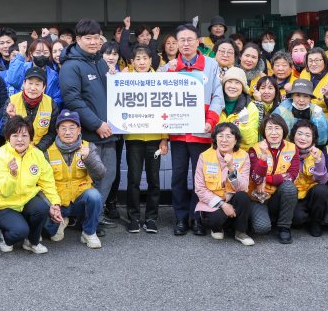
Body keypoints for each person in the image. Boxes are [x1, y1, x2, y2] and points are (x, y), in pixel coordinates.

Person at [159, 23, 225, 237]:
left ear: (199, 42)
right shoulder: (167, 68)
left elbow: (218, 96)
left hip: (202, 132)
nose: (186, 44)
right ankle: (180, 218)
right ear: (176, 43)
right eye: (182, 40)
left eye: (190, 40)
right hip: (178, 134)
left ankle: (197, 218)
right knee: (178, 177)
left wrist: (211, 120)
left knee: (201, 179)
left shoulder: (211, 65)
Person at [59, 19, 115, 232]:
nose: (93, 42)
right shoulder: (71, 66)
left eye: (97, 37)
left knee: (107, 177)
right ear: (78, 39)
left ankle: (96, 218)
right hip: (91, 134)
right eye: (88, 38)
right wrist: (96, 124)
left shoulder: (100, 62)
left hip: (109, 133)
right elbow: (73, 101)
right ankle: (87, 221)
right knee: (92, 179)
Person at [0, 117, 63, 254]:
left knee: (41, 208)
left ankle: (32, 242)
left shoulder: (37, 154)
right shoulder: (0, 156)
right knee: (20, 231)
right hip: (3, 204)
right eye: (15, 135)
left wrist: (55, 204)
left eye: (24, 135)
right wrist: (12, 175)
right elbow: (3, 191)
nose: (20, 139)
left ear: (31, 138)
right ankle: (5, 236)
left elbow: (47, 182)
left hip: (25, 200)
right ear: (8, 138)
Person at [122, 46, 168, 233]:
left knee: (154, 179)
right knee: (133, 179)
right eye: (138, 59)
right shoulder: (125, 80)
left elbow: (167, 109)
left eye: (145, 58)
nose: (141, 62)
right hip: (133, 137)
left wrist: (164, 139)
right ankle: (133, 218)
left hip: (155, 138)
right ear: (132, 61)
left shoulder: (161, 81)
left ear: (151, 60)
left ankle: (151, 218)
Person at [45, 110, 106, 248]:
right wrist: (53, 205)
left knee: (94, 196)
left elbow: (100, 174)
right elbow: (42, 183)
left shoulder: (88, 147)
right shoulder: (48, 151)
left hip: (79, 200)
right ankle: (61, 220)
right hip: (58, 203)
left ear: (79, 130)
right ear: (57, 130)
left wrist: (88, 158)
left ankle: (89, 233)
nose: (68, 132)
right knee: (50, 233)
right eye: (63, 128)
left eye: (72, 128)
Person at [194, 122, 254, 245]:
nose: (224, 140)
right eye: (220, 136)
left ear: (236, 139)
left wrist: (232, 169)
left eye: (229, 136)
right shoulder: (204, 156)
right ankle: (217, 228)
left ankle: (240, 232)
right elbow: (199, 188)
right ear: (215, 138)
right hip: (213, 202)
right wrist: (223, 205)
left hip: (233, 198)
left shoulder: (243, 156)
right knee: (216, 219)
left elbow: (243, 187)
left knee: (242, 196)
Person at [248, 114, 299, 244]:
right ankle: (268, 218)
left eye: (277, 128)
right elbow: (255, 178)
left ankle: (284, 228)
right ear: (264, 132)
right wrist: (263, 157)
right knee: (261, 228)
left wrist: (268, 179)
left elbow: (291, 175)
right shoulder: (254, 149)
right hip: (259, 197)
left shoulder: (292, 148)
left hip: (278, 195)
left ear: (284, 130)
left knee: (289, 187)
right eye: (269, 128)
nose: (274, 132)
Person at [3, 66, 59, 152]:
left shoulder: (51, 103)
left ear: (44, 87)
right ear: (24, 84)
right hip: (14, 150)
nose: (33, 88)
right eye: (30, 83)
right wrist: (12, 118)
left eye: (37, 84)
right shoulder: (12, 101)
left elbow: (52, 133)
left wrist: (38, 148)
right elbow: (4, 130)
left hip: (40, 151)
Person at [289, 120, 328, 237]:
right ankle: (303, 216)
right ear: (293, 135)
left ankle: (316, 222)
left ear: (313, 138)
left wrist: (318, 161)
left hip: (312, 193)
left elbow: (323, 180)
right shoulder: (287, 151)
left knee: (322, 189)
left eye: (308, 135)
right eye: (299, 134)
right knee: (297, 220)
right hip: (295, 194)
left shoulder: (318, 153)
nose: (303, 138)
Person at [272, 79, 328, 147]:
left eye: (306, 96)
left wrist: (319, 119)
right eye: (298, 95)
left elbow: (322, 140)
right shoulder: (282, 109)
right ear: (292, 96)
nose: (301, 100)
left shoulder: (316, 111)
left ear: (310, 98)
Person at [6, 38, 62, 105]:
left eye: (45, 53)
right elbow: (12, 81)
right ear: (31, 54)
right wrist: (20, 55)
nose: (41, 55)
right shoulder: (22, 67)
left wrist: (48, 106)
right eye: (37, 52)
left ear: (50, 55)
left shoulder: (54, 75)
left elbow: (57, 98)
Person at [219, 67, 261, 151]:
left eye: (237, 83)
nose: (233, 86)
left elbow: (251, 140)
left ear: (243, 87)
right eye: (229, 82)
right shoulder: (215, 104)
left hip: (241, 154)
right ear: (224, 85)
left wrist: (244, 125)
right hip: (218, 152)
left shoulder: (251, 108)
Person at [299, 47, 328, 120]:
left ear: (325, 61)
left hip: (324, 122)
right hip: (303, 119)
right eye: (310, 61)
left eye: (317, 60)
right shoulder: (304, 73)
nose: (313, 64)